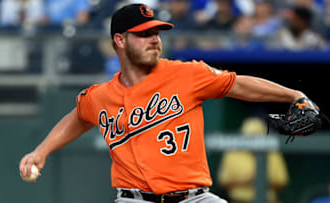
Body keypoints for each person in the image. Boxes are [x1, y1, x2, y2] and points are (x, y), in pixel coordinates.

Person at [19, 3, 311, 202]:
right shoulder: (100, 96)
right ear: (119, 41)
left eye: (156, 33)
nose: (155, 40)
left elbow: (239, 84)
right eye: (144, 34)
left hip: (194, 197)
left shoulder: (187, 73)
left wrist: (294, 95)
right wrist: (41, 151)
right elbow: (80, 116)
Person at [217, 117, 289, 203]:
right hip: (238, 200)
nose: (253, 140)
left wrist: (260, 181)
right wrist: (246, 181)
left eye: (256, 137)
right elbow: (223, 182)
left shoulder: (272, 153)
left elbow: (281, 181)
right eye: (249, 137)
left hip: (268, 200)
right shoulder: (233, 152)